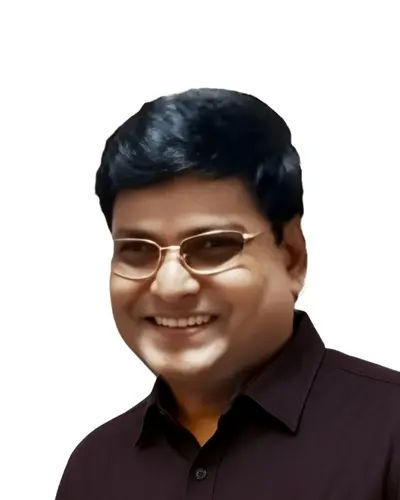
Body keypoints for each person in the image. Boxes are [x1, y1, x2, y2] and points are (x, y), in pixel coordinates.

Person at [55, 88, 400, 499]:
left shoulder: (389, 432)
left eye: (212, 245)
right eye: (137, 250)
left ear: (291, 258)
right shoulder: (94, 469)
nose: (170, 286)